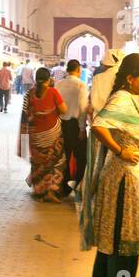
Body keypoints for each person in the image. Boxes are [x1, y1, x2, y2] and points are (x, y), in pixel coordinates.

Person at [79, 53, 139, 277]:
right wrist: (121, 150)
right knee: (126, 246)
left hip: (120, 179)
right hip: (124, 181)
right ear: (130, 78)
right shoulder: (123, 98)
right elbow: (99, 126)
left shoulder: (127, 98)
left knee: (110, 243)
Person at [20, 66, 67, 202]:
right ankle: (51, 191)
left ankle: (39, 190)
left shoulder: (29, 94)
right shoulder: (53, 92)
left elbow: (26, 114)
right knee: (56, 162)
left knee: (38, 162)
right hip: (53, 136)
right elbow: (64, 110)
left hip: (35, 136)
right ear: (49, 79)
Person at [57, 59, 88, 189]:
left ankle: (63, 183)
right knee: (80, 156)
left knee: (63, 155)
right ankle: (78, 183)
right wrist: (82, 128)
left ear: (67, 70)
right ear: (78, 70)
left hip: (60, 124)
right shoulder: (81, 85)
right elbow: (82, 108)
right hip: (74, 125)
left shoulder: (58, 84)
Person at [88, 49, 122, 119]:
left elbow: (92, 100)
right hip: (117, 118)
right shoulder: (124, 77)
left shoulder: (97, 77)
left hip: (99, 118)